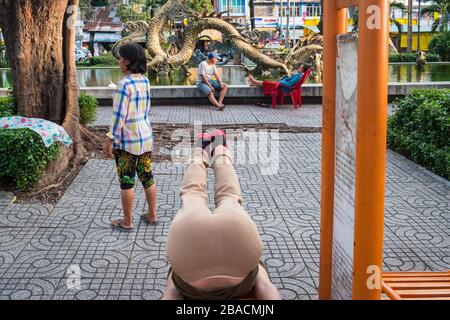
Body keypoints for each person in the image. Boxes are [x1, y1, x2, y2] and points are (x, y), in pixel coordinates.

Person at [162, 131, 282, 300]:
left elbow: (265, 288)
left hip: (239, 251)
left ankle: (219, 147)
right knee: (192, 193)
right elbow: (171, 293)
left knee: (229, 195)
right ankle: (201, 148)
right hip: (189, 255)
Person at [105, 43, 158, 231]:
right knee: (147, 177)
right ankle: (152, 214)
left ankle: (127, 221)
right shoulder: (144, 80)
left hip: (127, 141)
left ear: (127, 61)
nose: (119, 62)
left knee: (127, 181)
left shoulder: (124, 84)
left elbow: (119, 116)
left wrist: (110, 139)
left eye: (120, 58)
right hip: (145, 137)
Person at [247, 64, 312, 97]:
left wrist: (280, 82)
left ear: (303, 70)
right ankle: (253, 83)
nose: (299, 68)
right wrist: (283, 79)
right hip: (282, 86)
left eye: (300, 68)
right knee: (268, 82)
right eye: (299, 67)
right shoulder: (298, 75)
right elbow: (289, 81)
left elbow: (289, 84)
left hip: (282, 88)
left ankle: (254, 81)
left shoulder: (298, 76)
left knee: (267, 83)